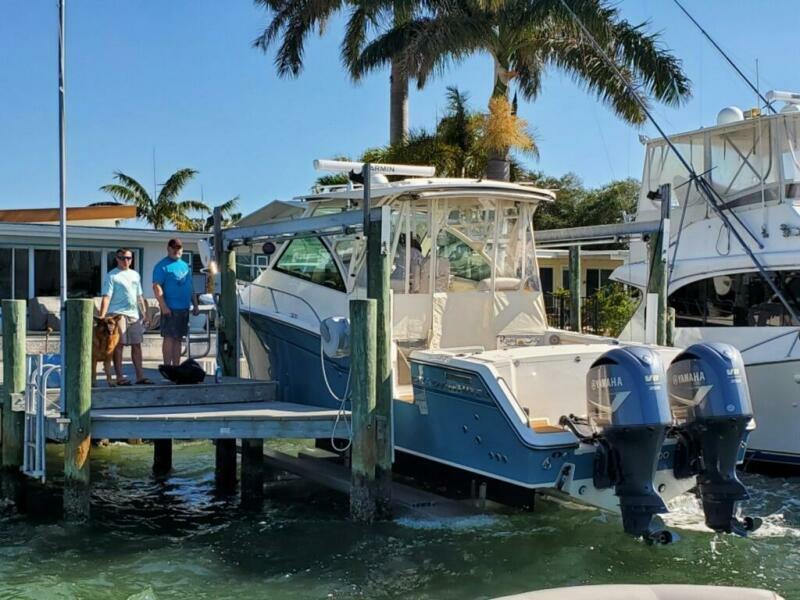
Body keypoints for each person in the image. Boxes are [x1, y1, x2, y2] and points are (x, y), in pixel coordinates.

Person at [98, 248, 152, 385]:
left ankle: (140, 376)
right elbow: (106, 297)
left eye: (129, 258)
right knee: (119, 345)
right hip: (117, 314)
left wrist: (145, 314)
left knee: (137, 345)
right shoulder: (112, 276)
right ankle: (120, 377)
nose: (126, 260)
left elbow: (139, 296)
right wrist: (102, 317)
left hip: (133, 315)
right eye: (122, 258)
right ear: (117, 259)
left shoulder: (135, 275)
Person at [152, 238, 199, 366]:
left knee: (178, 338)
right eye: (173, 248)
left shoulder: (185, 266)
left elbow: (191, 287)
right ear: (168, 249)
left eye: (179, 248)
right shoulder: (162, 266)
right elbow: (156, 287)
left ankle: (176, 367)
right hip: (170, 308)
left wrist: (195, 305)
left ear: (182, 250)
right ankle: (168, 367)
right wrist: (163, 306)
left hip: (184, 308)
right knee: (169, 338)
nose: (176, 250)